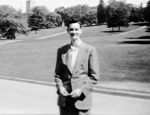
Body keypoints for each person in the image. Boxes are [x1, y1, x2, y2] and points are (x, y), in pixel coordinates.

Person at [54, 19, 99, 115]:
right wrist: (60, 87)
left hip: (81, 101)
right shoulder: (61, 50)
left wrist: (81, 90)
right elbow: (58, 74)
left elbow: (94, 77)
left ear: (80, 31)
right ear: (67, 31)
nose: (74, 32)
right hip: (65, 101)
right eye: (71, 29)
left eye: (76, 29)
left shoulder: (90, 50)